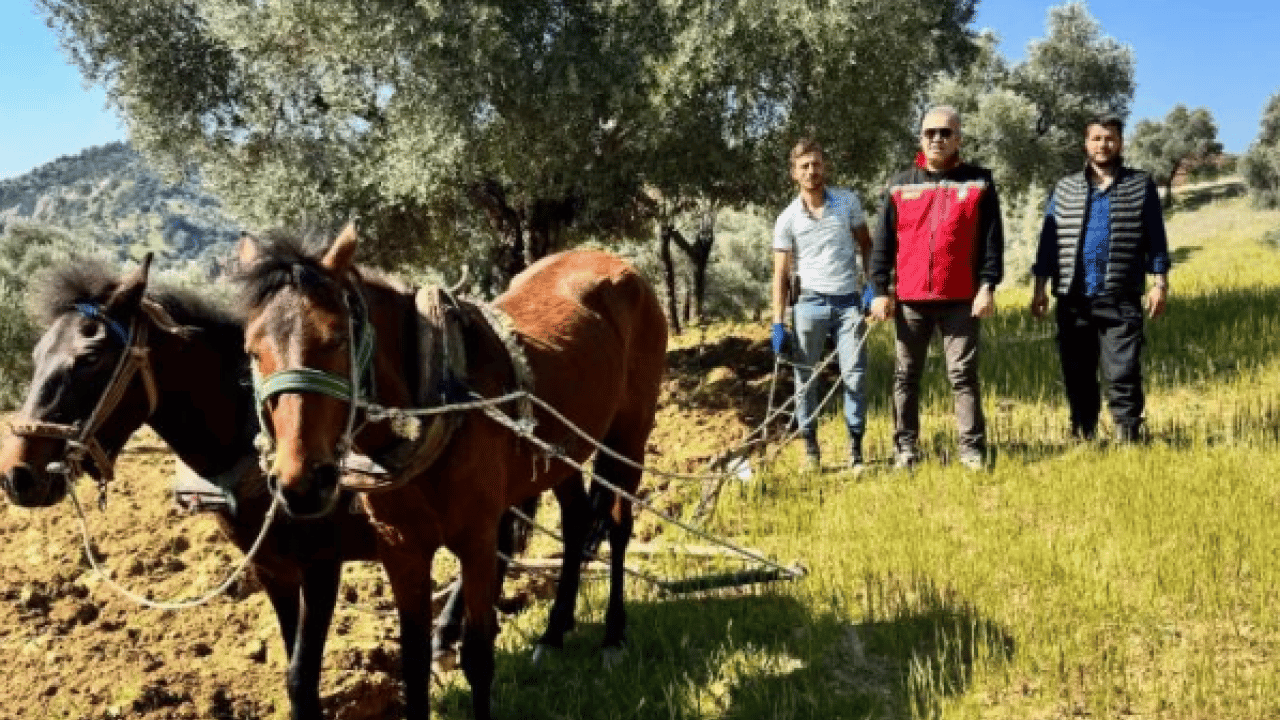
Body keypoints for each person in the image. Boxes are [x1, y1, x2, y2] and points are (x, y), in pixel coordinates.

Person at [869, 106, 1004, 470]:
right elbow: (882, 243)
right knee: (905, 375)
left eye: (945, 133)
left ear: (958, 138)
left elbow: (993, 241)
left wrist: (987, 285)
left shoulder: (979, 182)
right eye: (930, 133)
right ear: (920, 138)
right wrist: (880, 290)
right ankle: (905, 448)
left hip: (962, 298)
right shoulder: (899, 185)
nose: (937, 139)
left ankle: (971, 450)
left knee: (962, 375)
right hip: (911, 299)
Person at [1030, 113, 1170, 442]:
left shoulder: (1140, 184)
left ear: (1120, 143)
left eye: (1110, 139)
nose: (1103, 145)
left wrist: (1159, 283)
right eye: (1096, 138)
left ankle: (1128, 435)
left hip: (1120, 295)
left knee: (1123, 370)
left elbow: (1156, 239)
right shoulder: (1065, 188)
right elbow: (1048, 244)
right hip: (1073, 297)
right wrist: (1039, 289)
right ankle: (1083, 434)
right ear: (1086, 143)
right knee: (1077, 372)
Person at [770, 138, 873, 471]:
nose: (811, 171)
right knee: (805, 378)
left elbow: (867, 246)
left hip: (848, 304)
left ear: (824, 167)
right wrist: (777, 321)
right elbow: (781, 273)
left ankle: (855, 448)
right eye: (804, 166)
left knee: (855, 376)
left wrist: (872, 286)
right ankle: (811, 449)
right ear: (794, 173)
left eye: (816, 164)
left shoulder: (847, 202)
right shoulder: (786, 218)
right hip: (809, 305)